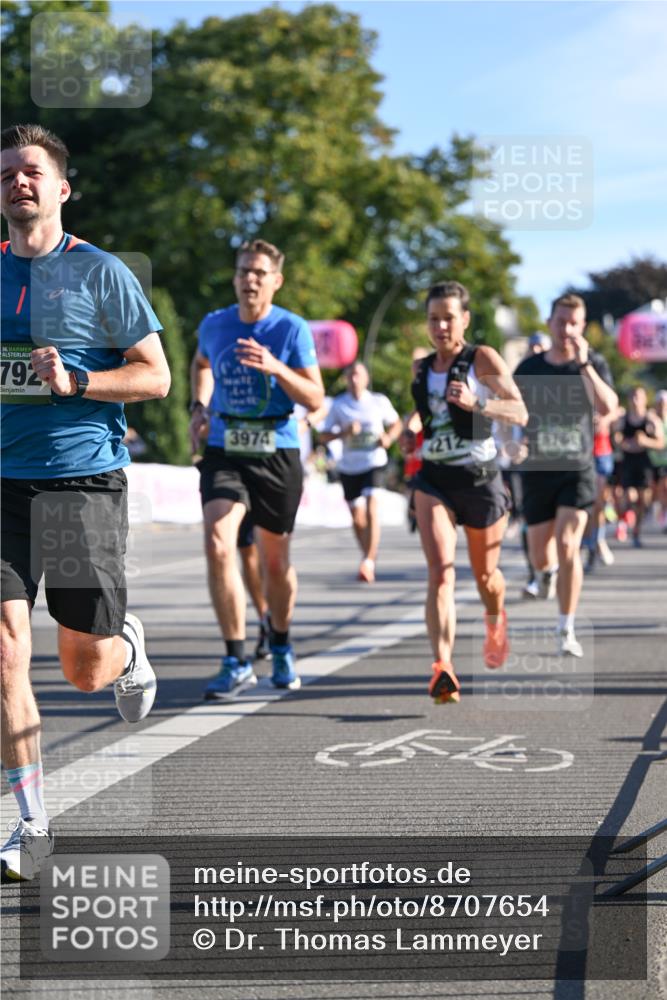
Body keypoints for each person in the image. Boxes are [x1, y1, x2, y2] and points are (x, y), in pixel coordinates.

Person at [0, 124, 170, 880]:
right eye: (6, 173)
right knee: (6, 652)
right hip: (2, 485)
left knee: (85, 670)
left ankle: (124, 644)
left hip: (80, 483)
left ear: (62, 187)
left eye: (31, 171)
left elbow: (155, 376)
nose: (17, 182)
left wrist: (78, 381)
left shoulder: (101, 273)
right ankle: (31, 824)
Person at [189, 238, 324, 699]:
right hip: (225, 445)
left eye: (259, 273)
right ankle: (235, 658)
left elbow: (315, 398)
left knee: (275, 562)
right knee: (218, 543)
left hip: (276, 448)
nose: (249, 279)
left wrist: (276, 368)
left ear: (276, 281)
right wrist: (199, 406)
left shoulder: (292, 329)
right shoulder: (215, 324)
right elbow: (201, 363)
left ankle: (281, 643)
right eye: (243, 270)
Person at [402, 280, 528, 704]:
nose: (441, 327)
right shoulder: (421, 367)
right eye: (433, 319)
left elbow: (519, 410)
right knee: (441, 572)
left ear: (465, 319)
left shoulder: (482, 358)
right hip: (435, 478)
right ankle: (443, 667)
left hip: (480, 477)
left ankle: (495, 618)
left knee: (485, 577)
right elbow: (427, 412)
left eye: (449, 318)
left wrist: (477, 403)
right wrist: (410, 428)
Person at [513, 293, 618, 657]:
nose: (567, 329)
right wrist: (512, 442)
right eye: (561, 322)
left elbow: (609, 406)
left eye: (574, 323)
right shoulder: (529, 368)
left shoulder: (593, 364)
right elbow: (510, 408)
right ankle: (545, 575)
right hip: (538, 469)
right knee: (540, 554)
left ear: (582, 326)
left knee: (568, 543)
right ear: (549, 323)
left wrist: (585, 364)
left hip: (577, 468)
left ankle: (565, 627)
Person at [319, 361, 402, 582]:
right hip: (349, 466)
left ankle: (368, 561)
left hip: (374, 462)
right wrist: (344, 433)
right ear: (346, 379)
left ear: (366, 379)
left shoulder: (378, 401)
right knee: (357, 518)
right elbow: (324, 436)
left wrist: (388, 438)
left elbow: (396, 424)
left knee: (372, 507)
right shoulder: (339, 405)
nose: (354, 379)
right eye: (351, 375)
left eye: (358, 375)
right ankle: (368, 554)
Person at [614, 386, 664, 547]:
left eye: (638, 397)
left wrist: (645, 441)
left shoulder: (651, 419)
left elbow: (661, 442)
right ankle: (624, 519)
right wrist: (622, 442)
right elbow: (616, 437)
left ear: (644, 399)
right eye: (632, 397)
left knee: (643, 500)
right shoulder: (623, 419)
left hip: (644, 463)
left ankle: (636, 531)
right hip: (628, 462)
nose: (635, 401)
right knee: (629, 496)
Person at [649, 390, 667, 530]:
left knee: (665, 486)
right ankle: (660, 510)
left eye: (664, 403)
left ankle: (664, 515)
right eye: (660, 403)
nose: (662, 406)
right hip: (653, 462)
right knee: (656, 492)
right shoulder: (652, 421)